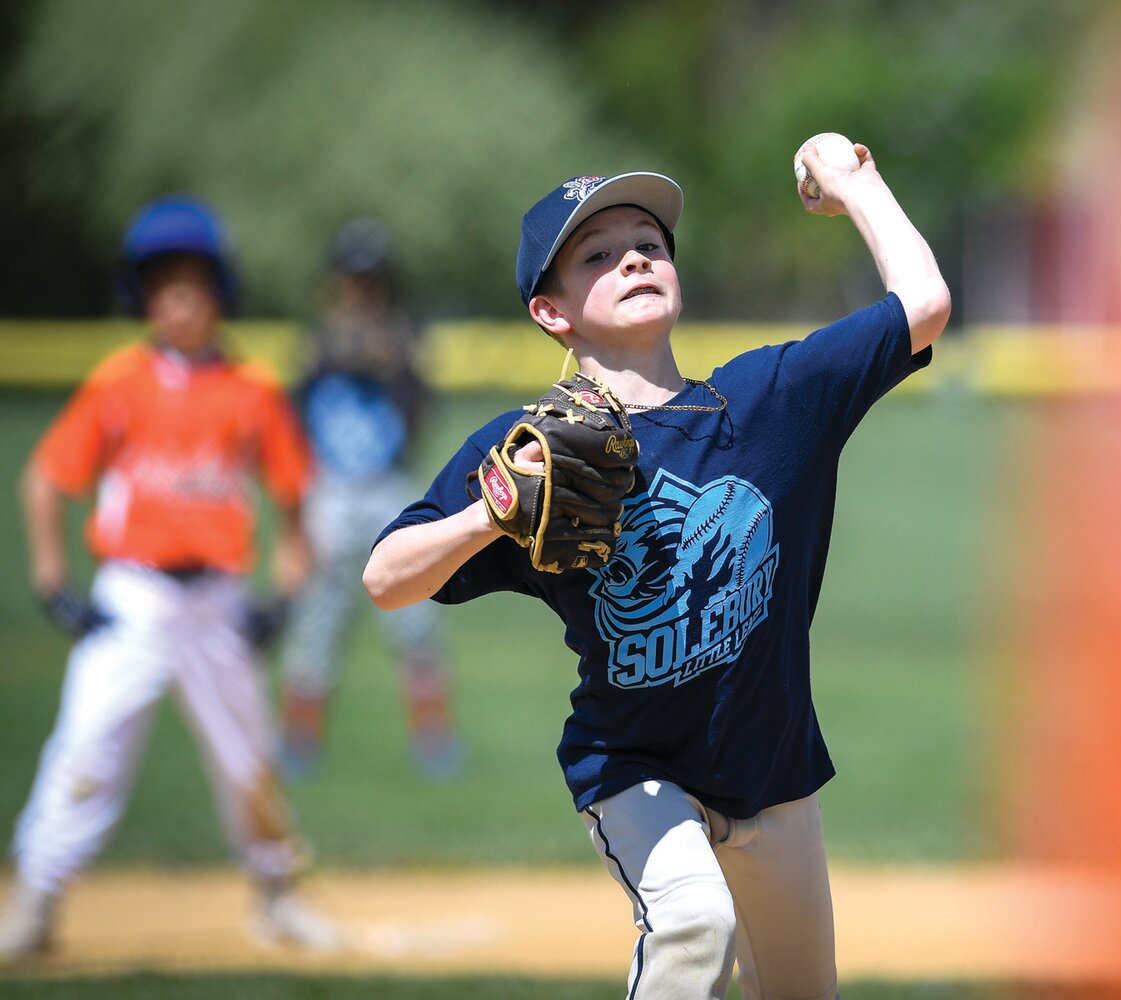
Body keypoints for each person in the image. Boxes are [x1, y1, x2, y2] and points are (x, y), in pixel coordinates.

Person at [363, 145, 949, 998]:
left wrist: (857, 185)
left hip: (774, 774)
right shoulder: (530, 454)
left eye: (651, 242)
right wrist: (488, 510)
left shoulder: (771, 400)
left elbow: (923, 305)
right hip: (637, 770)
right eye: (597, 256)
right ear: (551, 312)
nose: (636, 256)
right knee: (692, 923)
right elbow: (386, 578)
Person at [0, 196, 344, 961]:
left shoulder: (251, 390)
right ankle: (38, 902)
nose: (179, 299)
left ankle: (278, 897)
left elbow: (297, 503)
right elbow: (44, 481)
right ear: (142, 296)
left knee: (246, 759)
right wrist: (56, 585)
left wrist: (283, 599)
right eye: (162, 284)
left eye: (193, 282)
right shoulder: (119, 382)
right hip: (135, 598)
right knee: (86, 749)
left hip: (218, 601)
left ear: (221, 289)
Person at [278, 218, 461, 780]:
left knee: (415, 618)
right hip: (330, 488)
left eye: (371, 280)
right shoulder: (315, 340)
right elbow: (292, 416)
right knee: (317, 619)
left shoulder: (404, 339)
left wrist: (392, 361)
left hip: (386, 486)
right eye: (354, 279)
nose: (362, 290)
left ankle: (435, 741)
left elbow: (421, 410)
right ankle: (298, 743)